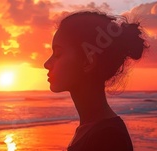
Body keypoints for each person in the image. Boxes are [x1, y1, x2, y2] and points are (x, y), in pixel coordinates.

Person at [44, 11, 148, 151]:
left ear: (87, 62)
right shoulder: (90, 129)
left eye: (57, 54)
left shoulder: (109, 138)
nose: (47, 64)